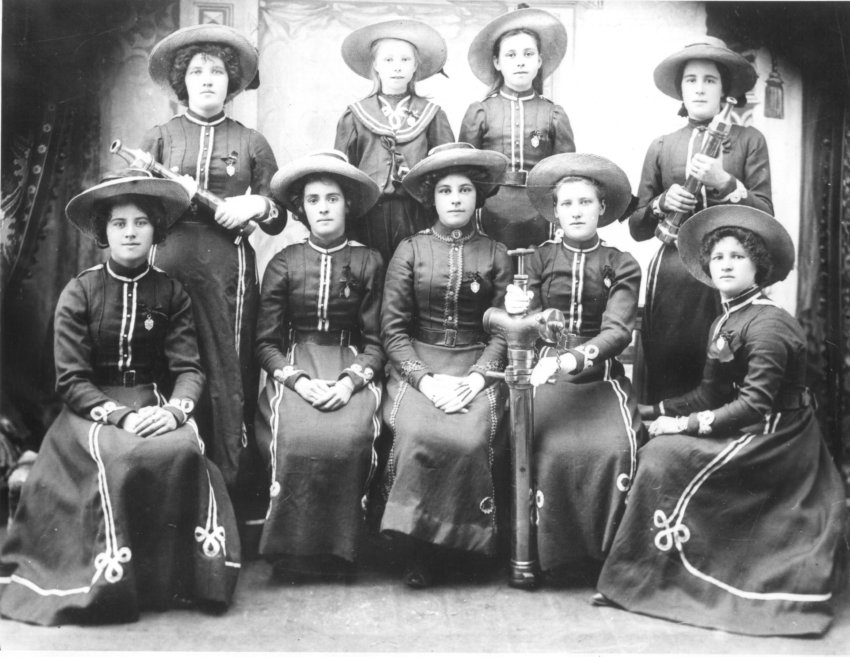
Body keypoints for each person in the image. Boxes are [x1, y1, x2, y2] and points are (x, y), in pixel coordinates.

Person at [0, 173, 240, 626]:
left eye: (141, 223)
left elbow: (189, 369)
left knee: (185, 449)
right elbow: (71, 379)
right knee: (121, 456)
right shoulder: (80, 291)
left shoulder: (171, 292)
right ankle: (117, 585)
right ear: (103, 232)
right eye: (119, 224)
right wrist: (121, 417)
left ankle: (177, 582)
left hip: (152, 399)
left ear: (156, 231)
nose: (130, 232)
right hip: (91, 409)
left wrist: (173, 412)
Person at [596, 206, 846, 636]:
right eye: (718, 258)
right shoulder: (726, 318)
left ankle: (652, 577)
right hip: (753, 426)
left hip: (778, 439)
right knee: (650, 443)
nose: (726, 265)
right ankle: (644, 573)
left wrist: (682, 426)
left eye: (737, 257)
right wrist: (654, 411)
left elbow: (754, 406)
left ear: (758, 266)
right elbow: (710, 395)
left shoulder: (769, 323)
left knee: (662, 457)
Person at [141, 25, 286, 535]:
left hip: (230, 275)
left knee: (229, 370)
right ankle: (168, 487)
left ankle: (231, 492)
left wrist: (257, 203)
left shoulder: (250, 141)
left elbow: (278, 216)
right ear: (182, 81)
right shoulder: (160, 137)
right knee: (167, 361)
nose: (207, 79)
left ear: (232, 83)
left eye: (217, 72)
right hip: (168, 267)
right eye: (197, 71)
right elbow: (135, 206)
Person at [504, 154, 645, 580]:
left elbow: (617, 332)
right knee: (547, 447)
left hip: (600, 377)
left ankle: (605, 559)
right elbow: (524, 318)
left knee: (616, 448)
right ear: (555, 212)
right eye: (567, 203)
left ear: (602, 207)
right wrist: (515, 306)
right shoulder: (537, 259)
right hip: (545, 372)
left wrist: (572, 358)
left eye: (586, 202)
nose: (577, 211)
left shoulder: (621, 263)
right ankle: (551, 557)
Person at [380, 143, 512, 588]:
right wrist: (425, 381)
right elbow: (392, 331)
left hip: (478, 366)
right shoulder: (410, 250)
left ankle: (466, 550)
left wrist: (476, 379)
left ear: (478, 197)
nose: (455, 199)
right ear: (431, 198)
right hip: (419, 364)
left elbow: (504, 332)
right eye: (445, 191)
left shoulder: (496, 253)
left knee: (471, 437)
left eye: (465, 190)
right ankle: (416, 550)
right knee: (418, 432)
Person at [254, 151, 384, 580]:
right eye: (313, 200)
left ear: (348, 205)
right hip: (296, 365)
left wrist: (349, 384)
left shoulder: (368, 261)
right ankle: (290, 553)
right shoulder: (285, 261)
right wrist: (295, 380)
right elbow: (265, 343)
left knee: (349, 437)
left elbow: (378, 341)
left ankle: (342, 551)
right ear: (301, 209)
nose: (323, 208)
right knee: (295, 436)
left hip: (350, 363)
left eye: (332, 198)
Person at [628, 37, 773, 403]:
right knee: (671, 373)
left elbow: (766, 214)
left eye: (710, 80)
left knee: (727, 371)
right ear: (681, 89)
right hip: (674, 275)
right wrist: (661, 203)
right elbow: (638, 227)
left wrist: (725, 182)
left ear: (725, 89)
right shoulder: (662, 145)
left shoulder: (749, 140)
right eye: (691, 80)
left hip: (731, 272)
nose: (699, 88)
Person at [335, 19, 455, 263]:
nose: (397, 67)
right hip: (367, 215)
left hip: (417, 213)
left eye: (405, 60)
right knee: (370, 272)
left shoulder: (432, 114)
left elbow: (448, 171)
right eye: (388, 60)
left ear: (415, 66)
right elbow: (342, 174)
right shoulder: (355, 115)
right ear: (376, 65)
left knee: (416, 272)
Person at [460, 5, 575, 250]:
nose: (520, 62)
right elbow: (466, 171)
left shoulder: (553, 113)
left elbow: (566, 174)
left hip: (540, 212)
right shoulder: (481, 112)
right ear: (497, 62)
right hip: (489, 211)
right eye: (511, 55)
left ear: (539, 61)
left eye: (528, 54)